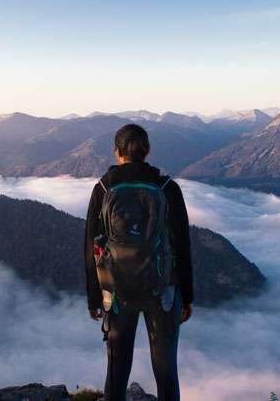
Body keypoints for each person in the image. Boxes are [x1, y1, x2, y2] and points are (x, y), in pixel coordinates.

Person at [84, 123, 194, 401]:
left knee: (117, 369)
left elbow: (90, 245)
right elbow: (182, 244)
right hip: (164, 291)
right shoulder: (167, 188)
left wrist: (94, 296)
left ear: (116, 152)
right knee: (166, 370)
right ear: (148, 151)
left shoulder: (103, 187)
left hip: (117, 291)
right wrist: (188, 295)